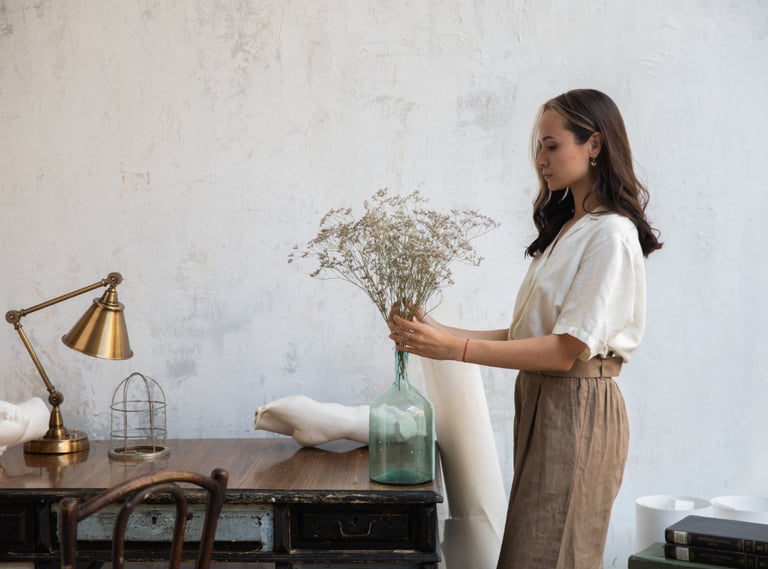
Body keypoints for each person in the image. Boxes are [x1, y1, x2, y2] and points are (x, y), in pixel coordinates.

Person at [388, 88, 662, 569]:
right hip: (545, 400)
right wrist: (436, 332)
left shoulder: (611, 234)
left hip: (577, 406)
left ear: (594, 145)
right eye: (539, 147)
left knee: (551, 556)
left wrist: (456, 348)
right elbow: (528, 336)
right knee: (534, 552)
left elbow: (563, 351)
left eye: (552, 145)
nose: (540, 159)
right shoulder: (569, 228)